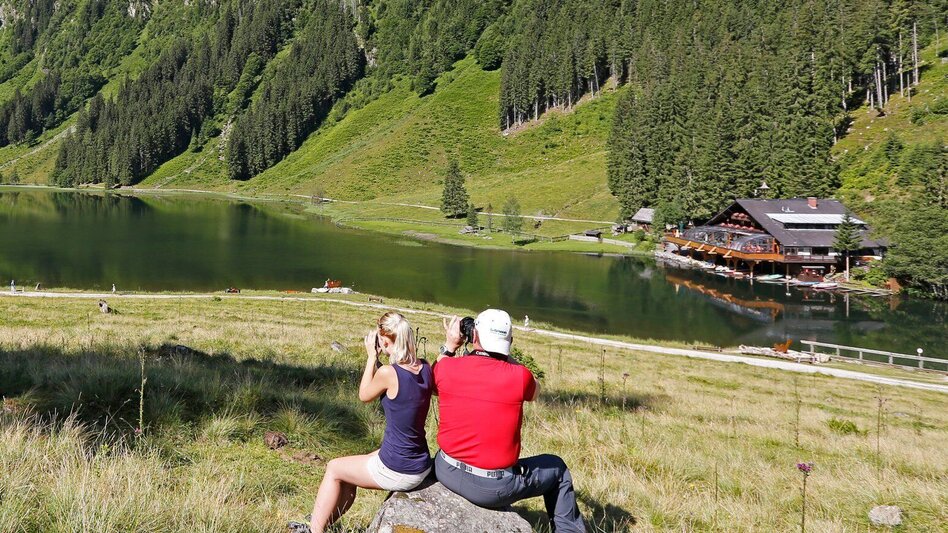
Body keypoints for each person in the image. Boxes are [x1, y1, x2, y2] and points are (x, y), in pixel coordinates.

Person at [434, 309, 586, 532]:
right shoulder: (520, 376)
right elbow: (536, 391)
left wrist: (450, 346)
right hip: (493, 487)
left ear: (473, 336)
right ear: (510, 341)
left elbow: (434, 379)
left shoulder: (447, 367)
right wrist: (506, 356)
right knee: (557, 469)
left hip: (445, 469)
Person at [308, 312, 433, 533]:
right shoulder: (425, 367)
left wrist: (370, 358)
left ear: (385, 341)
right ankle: (324, 522)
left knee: (334, 468)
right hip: (420, 462)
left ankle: (314, 530)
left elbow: (364, 395)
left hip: (399, 469)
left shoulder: (388, 373)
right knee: (358, 464)